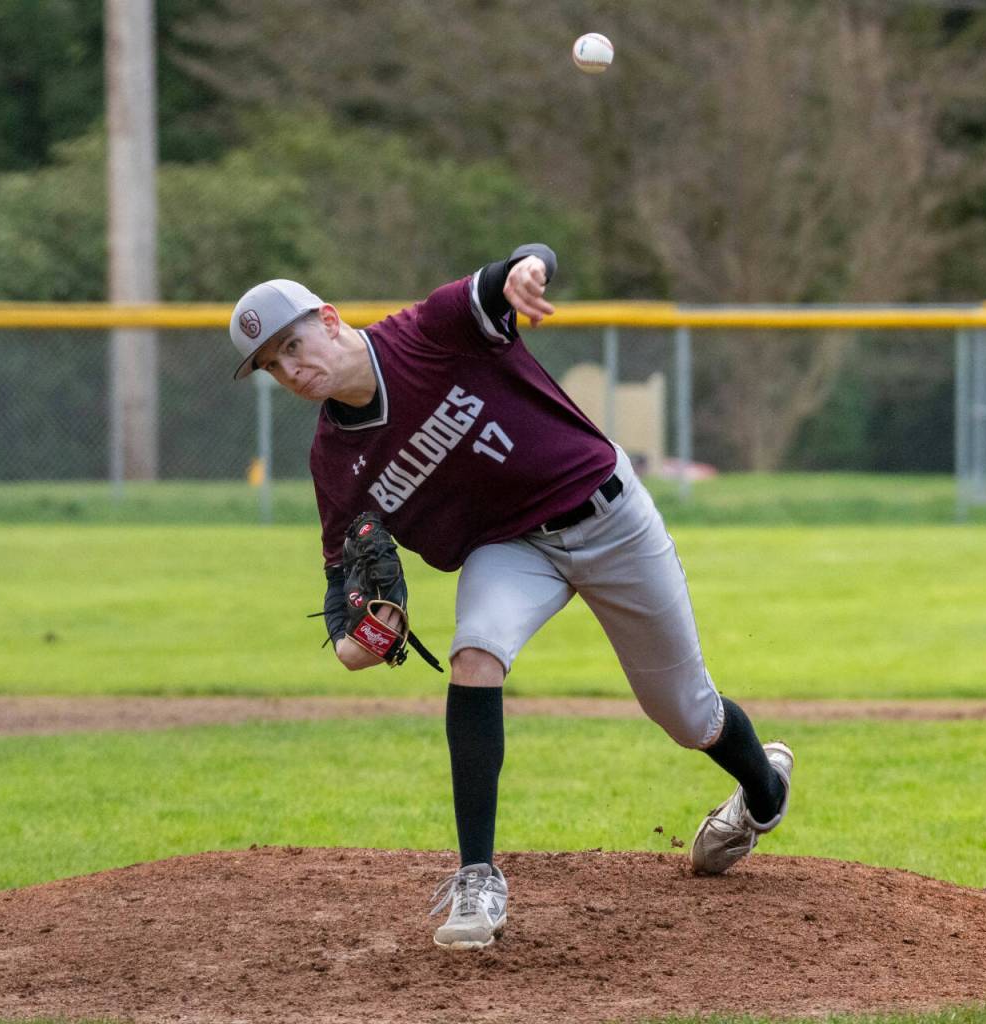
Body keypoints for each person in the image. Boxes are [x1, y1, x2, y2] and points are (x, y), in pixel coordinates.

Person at [228, 245, 794, 951]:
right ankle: (476, 877)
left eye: (291, 345)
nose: (290, 369)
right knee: (475, 653)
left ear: (331, 320)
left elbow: (511, 271)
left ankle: (763, 792)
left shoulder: (427, 333)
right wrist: (359, 643)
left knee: (686, 714)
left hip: (609, 516)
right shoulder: (334, 462)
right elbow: (342, 596)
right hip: (512, 548)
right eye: (273, 366)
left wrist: (527, 274)